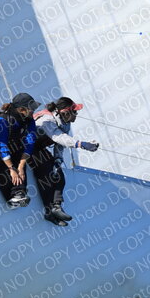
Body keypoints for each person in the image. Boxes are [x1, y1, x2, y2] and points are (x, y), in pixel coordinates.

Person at [33, 97, 99, 226]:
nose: (76, 114)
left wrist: (58, 159)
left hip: (38, 148)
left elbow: (60, 144)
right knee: (45, 174)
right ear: (65, 112)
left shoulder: (65, 122)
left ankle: (57, 207)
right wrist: (81, 144)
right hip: (26, 147)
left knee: (59, 175)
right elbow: (58, 137)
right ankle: (49, 211)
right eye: (75, 111)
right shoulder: (47, 119)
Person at [0, 92, 39, 208]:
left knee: (19, 161)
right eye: (31, 108)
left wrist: (21, 165)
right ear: (21, 109)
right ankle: (10, 197)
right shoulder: (1, 120)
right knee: (4, 165)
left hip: (12, 145)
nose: (34, 111)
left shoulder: (29, 120)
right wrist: (11, 168)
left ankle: (20, 192)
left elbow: (30, 141)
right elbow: (1, 146)